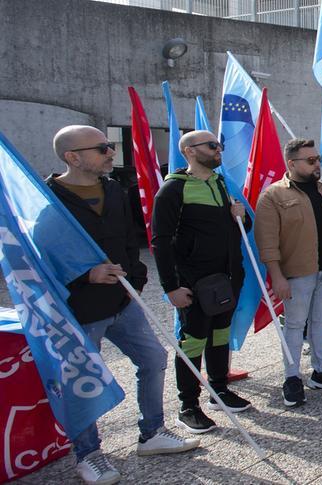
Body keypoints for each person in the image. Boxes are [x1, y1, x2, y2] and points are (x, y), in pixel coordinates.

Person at [48, 126, 198, 484]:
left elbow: (131, 238)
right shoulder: (48, 199)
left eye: (110, 146)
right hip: (80, 307)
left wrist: (136, 275)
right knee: (85, 379)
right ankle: (89, 453)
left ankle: (152, 432)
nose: (111, 153)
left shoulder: (113, 189)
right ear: (73, 157)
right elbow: (44, 256)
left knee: (153, 358)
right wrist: (84, 275)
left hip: (122, 298)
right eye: (102, 148)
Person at [152, 130, 254, 432]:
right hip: (194, 283)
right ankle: (188, 406)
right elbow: (160, 240)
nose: (218, 150)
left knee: (221, 334)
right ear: (190, 151)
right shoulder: (173, 189)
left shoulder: (221, 183)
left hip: (227, 278)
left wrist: (241, 217)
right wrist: (171, 286)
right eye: (212, 146)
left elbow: (238, 230)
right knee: (193, 341)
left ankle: (219, 390)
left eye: (219, 145)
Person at [254, 138, 322, 407]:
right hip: (297, 272)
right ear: (292, 163)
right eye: (310, 161)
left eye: (318, 159)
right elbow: (267, 241)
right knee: (295, 325)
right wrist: (276, 275)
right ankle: (291, 377)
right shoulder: (273, 196)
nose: (317, 164)